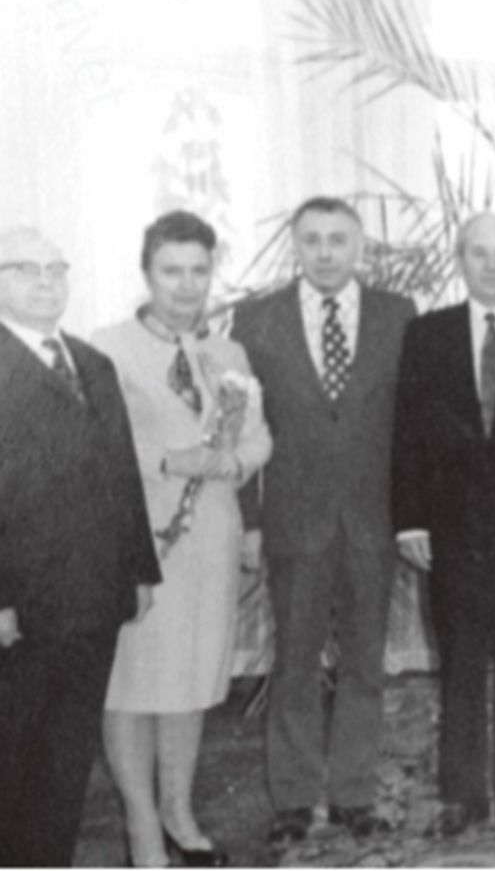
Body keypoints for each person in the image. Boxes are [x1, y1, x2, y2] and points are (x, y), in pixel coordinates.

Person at [90, 212, 272, 867]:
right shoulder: (107, 348)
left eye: (199, 270)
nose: (187, 284)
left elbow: (258, 436)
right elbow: (94, 440)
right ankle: (142, 826)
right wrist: (169, 459)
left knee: (191, 679)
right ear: (147, 272)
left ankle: (179, 810)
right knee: (132, 684)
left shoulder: (227, 354)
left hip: (209, 538)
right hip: (138, 538)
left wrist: (235, 461)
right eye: (172, 270)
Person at [231, 197, 414, 844]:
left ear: (359, 245)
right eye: (312, 240)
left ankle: (353, 796)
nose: (326, 252)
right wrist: (250, 521)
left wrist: (413, 517)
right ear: (296, 246)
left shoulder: (398, 314)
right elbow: (240, 429)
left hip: (372, 518)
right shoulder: (256, 320)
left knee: (365, 663)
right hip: (294, 519)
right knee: (294, 664)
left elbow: (412, 424)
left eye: (339, 239)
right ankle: (292, 799)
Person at [0, 227, 162, 866]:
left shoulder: (92, 364)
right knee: (12, 755)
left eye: (55, 269)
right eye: (25, 269)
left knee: (66, 758)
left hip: (94, 597)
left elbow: (122, 472)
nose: (45, 282)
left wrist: (139, 570)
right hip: (21, 607)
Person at [392, 213, 495, 838]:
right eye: (478, 253)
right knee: (459, 661)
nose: (490, 265)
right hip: (450, 526)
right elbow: (407, 430)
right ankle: (460, 795)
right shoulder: (427, 334)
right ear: (461, 260)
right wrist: (410, 520)